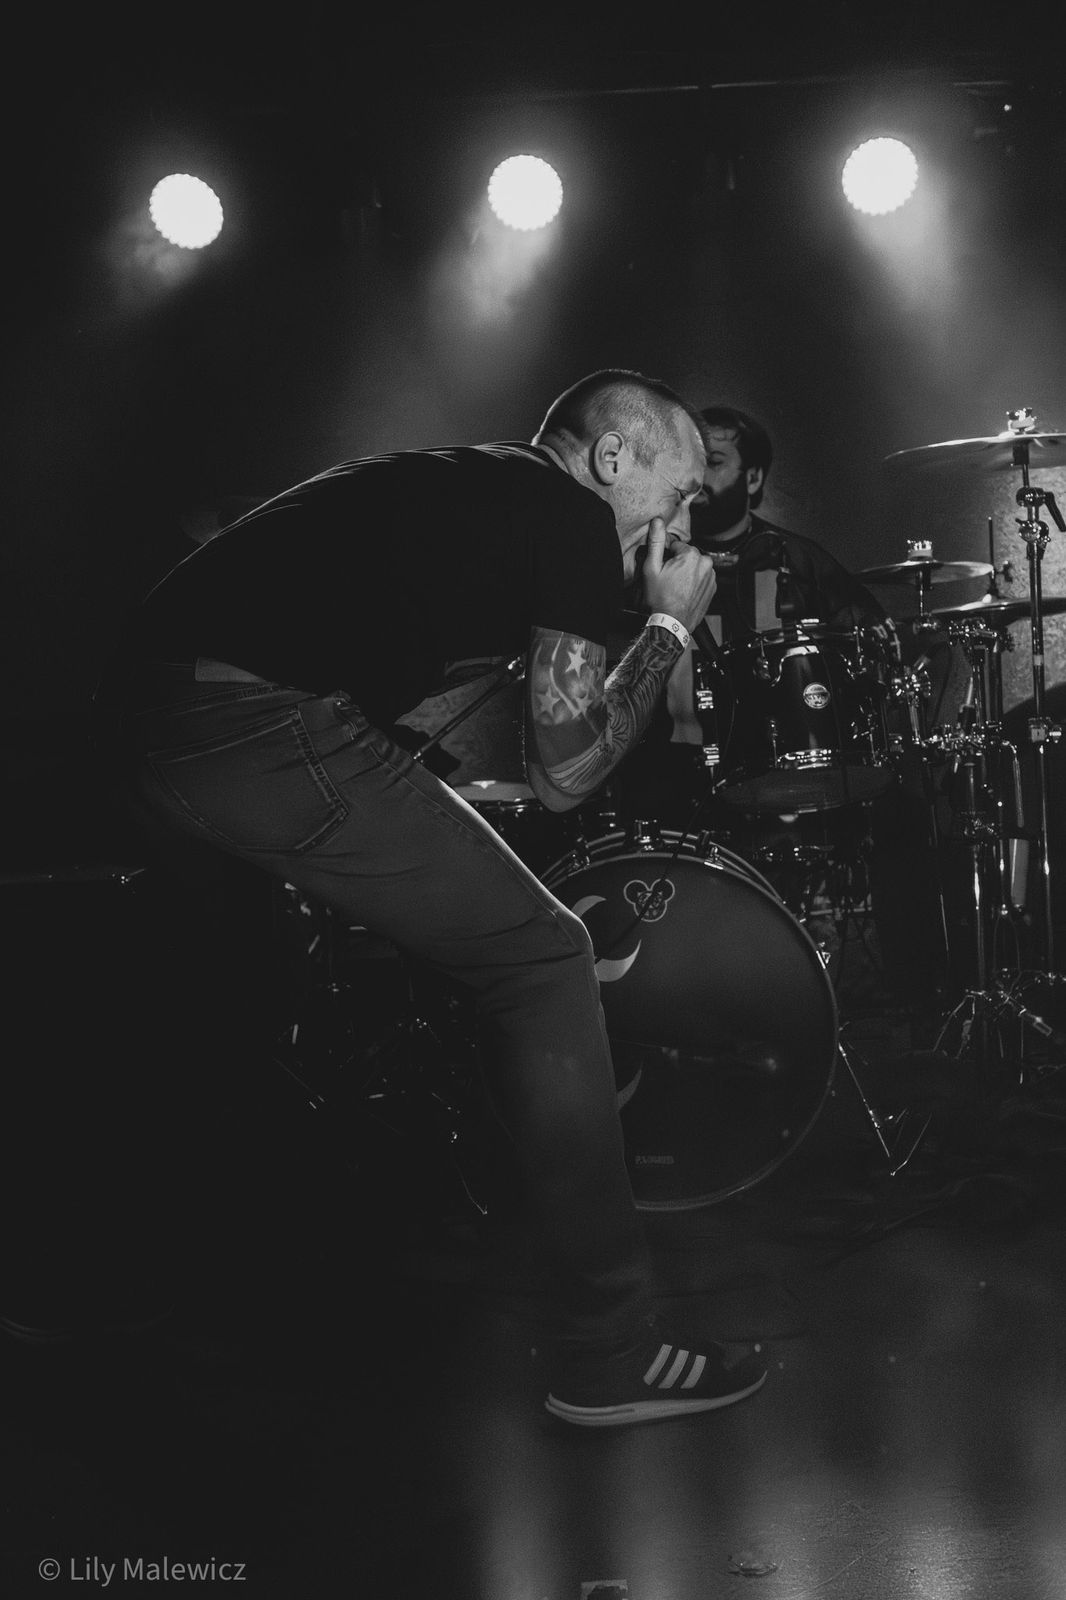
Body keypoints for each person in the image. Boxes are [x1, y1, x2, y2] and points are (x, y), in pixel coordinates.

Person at [90, 369, 767, 1428]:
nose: (680, 527)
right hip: (245, 726)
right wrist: (669, 630)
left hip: (146, 721)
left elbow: (414, 699)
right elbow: (567, 773)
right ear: (611, 457)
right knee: (544, 960)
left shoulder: (472, 490)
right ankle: (610, 1351)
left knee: (236, 1004)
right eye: (677, 494)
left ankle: (130, 1296)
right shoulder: (569, 517)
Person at [614, 404, 948, 1013]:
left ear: (753, 478)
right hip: (682, 761)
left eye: (716, 461)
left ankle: (910, 1004)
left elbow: (871, 641)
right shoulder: (651, 559)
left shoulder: (796, 560)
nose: (700, 478)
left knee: (906, 809)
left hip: (787, 762)